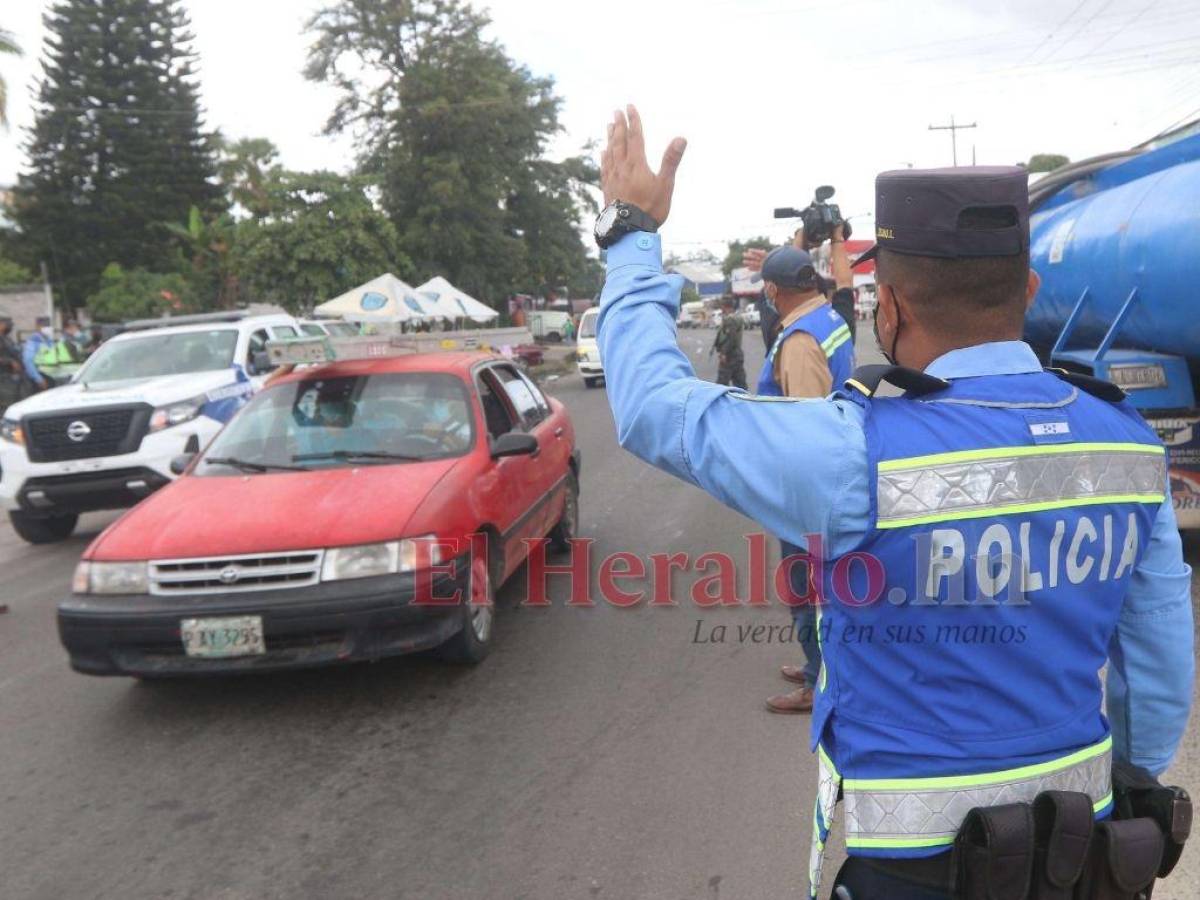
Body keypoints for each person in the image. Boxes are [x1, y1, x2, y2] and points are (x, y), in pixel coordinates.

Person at [594, 105, 1193, 899]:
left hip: (913, 872)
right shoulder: (1128, 442)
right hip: (1079, 853)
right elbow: (1155, 665)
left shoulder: (854, 451)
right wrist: (1128, 779)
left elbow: (652, 409)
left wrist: (632, 234)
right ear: (1032, 288)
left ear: (894, 308)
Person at [710, 296, 746, 389]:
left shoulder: (730, 319)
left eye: (721, 306)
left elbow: (731, 338)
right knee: (740, 383)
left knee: (721, 384)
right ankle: (744, 401)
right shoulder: (737, 317)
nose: (721, 308)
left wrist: (724, 353)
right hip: (737, 354)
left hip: (730, 356)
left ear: (725, 306)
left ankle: (720, 403)